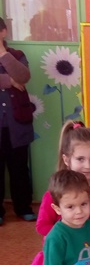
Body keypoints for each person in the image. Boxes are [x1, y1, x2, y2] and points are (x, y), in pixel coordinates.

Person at [36, 121, 90, 236]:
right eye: (80, 159)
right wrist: (66, 236)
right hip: (65, 246)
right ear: (66, 160)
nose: (87, 166)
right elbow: (42, 225)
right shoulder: (56, 191)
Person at [0, 16, 36, 226]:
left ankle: (23, 207)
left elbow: (23, 77)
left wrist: (3, 55)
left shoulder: (17, 55)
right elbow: (14, 80)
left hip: (17, 123)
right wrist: (8, 81)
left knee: (19, 167)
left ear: (3, 32)